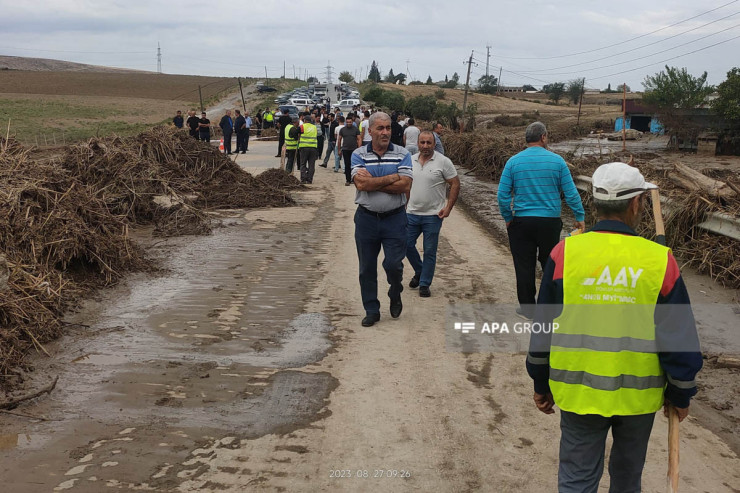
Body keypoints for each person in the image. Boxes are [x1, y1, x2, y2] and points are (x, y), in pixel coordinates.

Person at [526, 161, 702, 493]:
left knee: (577, 479)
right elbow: (678, 336)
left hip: (580, 394)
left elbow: (544, 325)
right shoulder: (659, 260)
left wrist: (540, 380)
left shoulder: (566, 253)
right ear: (637, 203)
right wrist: (681, 392)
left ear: (593, 202)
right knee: (626, 478)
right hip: (637, 400)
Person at [497, 121, 585, 319]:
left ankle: (528, 309)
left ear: (526, 139)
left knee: (524, 265)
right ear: (544, 137)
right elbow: (571, 193)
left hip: (521, 222)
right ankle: (551, 308)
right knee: (550, 264)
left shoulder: (513, 162)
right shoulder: (558, 162)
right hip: (549, 223)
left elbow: (502, 195)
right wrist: (579, 217)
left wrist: (508, 217)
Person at [351, 112, 413, 327]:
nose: (385, 132)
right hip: (366, 219)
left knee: (393, 264)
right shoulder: (359, 154)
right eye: (380, 128)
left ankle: (395, 291)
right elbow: (361, 185)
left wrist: (374, 182)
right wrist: (392, 177)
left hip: (395, 219)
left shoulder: (402, 153)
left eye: (388, 128)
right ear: (370, 131)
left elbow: (405, 186)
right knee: (366, 267)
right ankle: (371, 309)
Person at [405, 131, 460, 297]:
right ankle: (420, 270)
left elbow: (455, 184)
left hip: (433, 216)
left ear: (434, 144)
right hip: (411, 213)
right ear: (418, 143)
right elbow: (405, 184)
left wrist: (448, 207)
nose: (425, 146)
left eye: (429, 143)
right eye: (422, 142)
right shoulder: (410, 160)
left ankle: (424, 283)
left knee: (429, 250)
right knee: (405, 244)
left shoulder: (443, 162)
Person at [336, 114, 361, 186]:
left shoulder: (355, 129)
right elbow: (339, 140)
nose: (348, 123)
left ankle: (354, 179)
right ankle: (348, 180)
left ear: (352, 122)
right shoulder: (342, 130)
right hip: (345, 149)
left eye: (350, 122)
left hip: (354, 150)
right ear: (345, 122)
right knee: (347, 165)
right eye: (347, 122)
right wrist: (339, 150)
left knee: (354, 165)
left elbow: (359, 139)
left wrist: (359, 149)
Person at [298, 115, 318, 184]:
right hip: (313, 148)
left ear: (305, 120)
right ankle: (309, 179)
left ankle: (303, 179)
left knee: (303, 164)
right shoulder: (314, 127)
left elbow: (298, 134)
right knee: (311, 164)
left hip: (304, 147)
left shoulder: (302, 127)